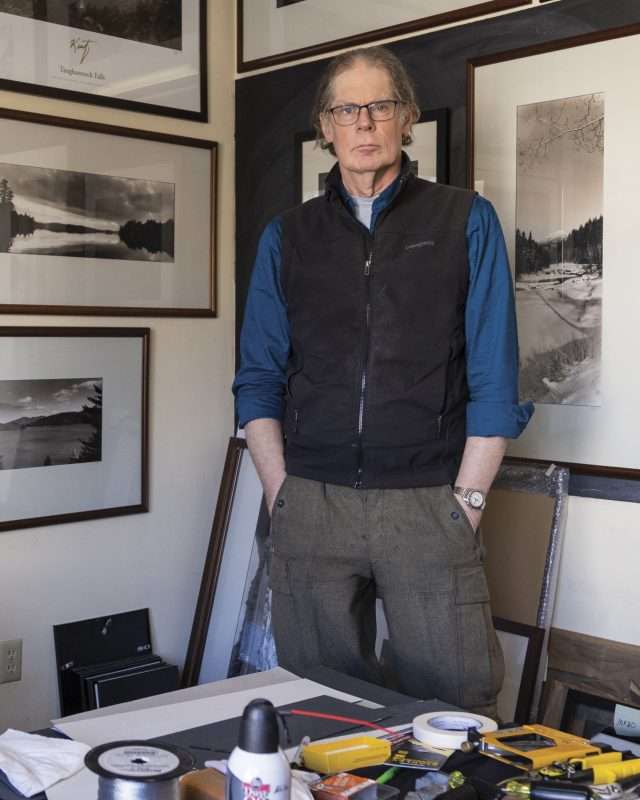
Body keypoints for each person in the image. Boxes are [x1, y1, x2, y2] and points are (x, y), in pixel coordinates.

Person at [233, 46, 533, 715]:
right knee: (318, 709)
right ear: (325, 128)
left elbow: (495, 376)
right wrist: (283, 493)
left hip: (427, 503)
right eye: (348, 109)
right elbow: (257, 377)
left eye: (380, 107)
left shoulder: (464, 221)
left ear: (407, 120)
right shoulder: (288, 237)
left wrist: (469, 504)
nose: (364, 124)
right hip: (312, 502)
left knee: (460, 708)